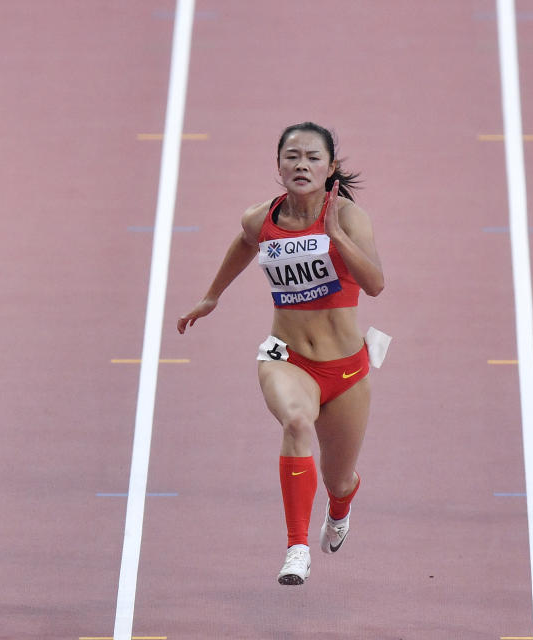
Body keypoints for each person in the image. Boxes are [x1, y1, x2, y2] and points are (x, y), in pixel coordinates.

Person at [177, 122, 383, 585]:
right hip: (287, 359)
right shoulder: (261, 217)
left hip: (346, 370)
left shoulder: (349, 218)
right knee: (295, 422)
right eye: (292, 156)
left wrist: (337, 236)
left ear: (329, 168)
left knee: (340, 479)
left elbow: (375, 284)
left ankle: (340, 506)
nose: (301, 164)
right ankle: (297, 548)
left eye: (312, 157)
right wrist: (212, 296)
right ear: (279, 166)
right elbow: (247, 243)